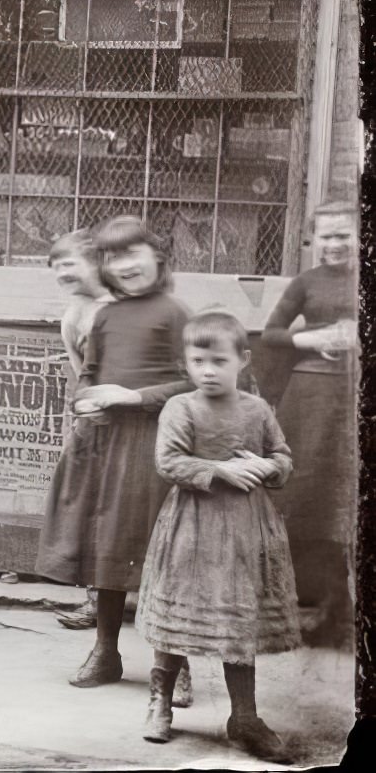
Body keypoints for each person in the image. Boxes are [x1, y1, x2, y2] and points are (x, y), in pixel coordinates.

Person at [35, 216, 192, 689]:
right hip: (105, 445)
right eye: (112, 256)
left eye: (133, 253)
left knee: (164, 555)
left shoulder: (174, 312)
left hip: (157, 443)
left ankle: (175, 666)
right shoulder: (103, 315)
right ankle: (106, 653)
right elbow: (90, 372)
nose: (123, 265)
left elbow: (196, 380)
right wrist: (85, 402)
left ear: (158, 256)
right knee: (106, 547)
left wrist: (134, 398)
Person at [135, 310, 299, 762]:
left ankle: (244, 716)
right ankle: (160, 703)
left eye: (219, 361)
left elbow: (282, 455)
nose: (208, 371)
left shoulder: (257, 409)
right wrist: (220, 469)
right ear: (186, 363)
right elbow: (168, 462)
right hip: (193, 524)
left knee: (239, 617)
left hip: (248, 527)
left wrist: (269, 466)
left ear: (242, 360)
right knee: (178, 615)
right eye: (198, 361)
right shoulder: (181, 407)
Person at [257, 201, 359, 643]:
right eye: (327, 236)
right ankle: (306, 606)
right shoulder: (306, 282)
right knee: (309, 495)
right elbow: (271, 333)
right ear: (313, 240)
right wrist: (310, 337)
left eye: (344, 235)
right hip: (311, 398)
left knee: (348, 499)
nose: (335, 244)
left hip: (355, 397)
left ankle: (344, 612)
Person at [46, 232, 108, 633]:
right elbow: (80, 373)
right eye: (55, 266)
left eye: (70, 263)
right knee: (88, 510)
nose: (61, 272)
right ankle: (98, 603)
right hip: (95, 424)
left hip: (136, 416)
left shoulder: (121, 306)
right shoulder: (73, 316)